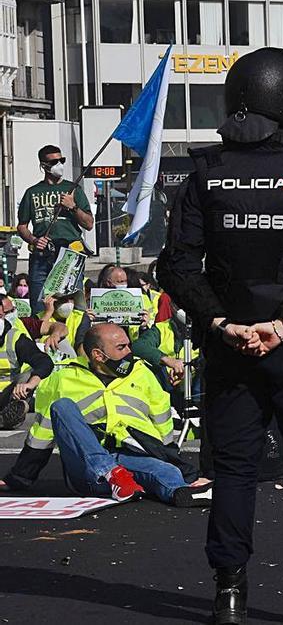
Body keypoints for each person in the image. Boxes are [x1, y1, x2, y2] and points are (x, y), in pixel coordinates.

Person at [155, 47, 283, 624]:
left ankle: (228, 594)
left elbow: (175, 266)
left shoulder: (202, 171)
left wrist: (222, 322)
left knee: (235, 470)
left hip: (228, 345)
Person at [0, 323, 211, 506]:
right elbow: (42, 434)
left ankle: (182, 493)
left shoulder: (143, 372)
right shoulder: (63, 378)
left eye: (128, 344)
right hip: (87, 467)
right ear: (98, 356)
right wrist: (18, 478)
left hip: (132, 456)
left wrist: (188, 475)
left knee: (164, 472)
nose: (130, 352)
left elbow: (163, 429)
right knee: (62, 407)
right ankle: (109, 473)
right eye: (122, 348)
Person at [17, 145, 95, 308]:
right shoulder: (32, 192)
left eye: (62, 160)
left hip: (70, 253)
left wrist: (72, 207)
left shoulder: (73, 189)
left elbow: (88, 224)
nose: (59, 164)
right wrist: (33, 240)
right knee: (39, 305)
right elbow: (22, 226)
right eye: (54, 161)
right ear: (43, 165)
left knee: (74, 305)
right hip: (42, 254)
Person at [0, 296, 54, 429]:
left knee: (26, 375)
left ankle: (9, 414)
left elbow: (44, 361)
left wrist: (30, 384)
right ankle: (3, 420)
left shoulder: (15, 337)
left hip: (7, 395)